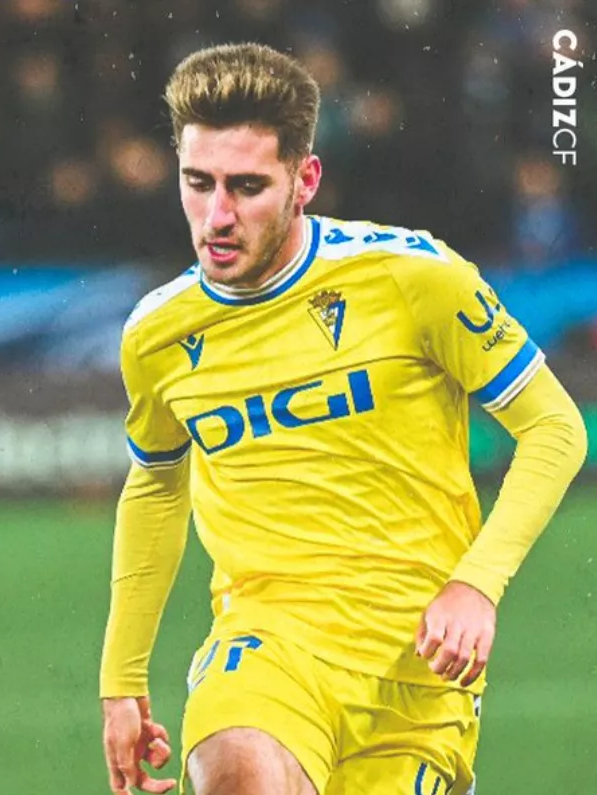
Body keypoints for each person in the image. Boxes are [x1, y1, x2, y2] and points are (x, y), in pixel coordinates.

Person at [98, 43, 587, 795]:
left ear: (305, 181)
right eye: (197, 183)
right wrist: (122, 677)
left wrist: (476, 585)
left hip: (417, 662)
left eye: (247, 187)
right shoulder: (156, 333)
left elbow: (554, 428)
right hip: (265, 642)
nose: (216, 216)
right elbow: (157, 485)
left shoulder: (415, 279)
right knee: (237, 770)